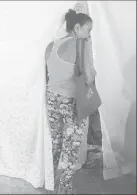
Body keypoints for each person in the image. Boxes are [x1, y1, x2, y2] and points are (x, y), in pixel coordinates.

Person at [45, 9, 96, 194]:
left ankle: (51, 183)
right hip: (71, 101)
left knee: (55, 143)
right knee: (72, 147)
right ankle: (64, 190)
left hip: (51, 99)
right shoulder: (81, 46)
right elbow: (89, 79)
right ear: (77, 27)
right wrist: (92, 68)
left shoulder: (51, 45)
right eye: (88, 30)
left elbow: (50, 76)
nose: (89, 34)